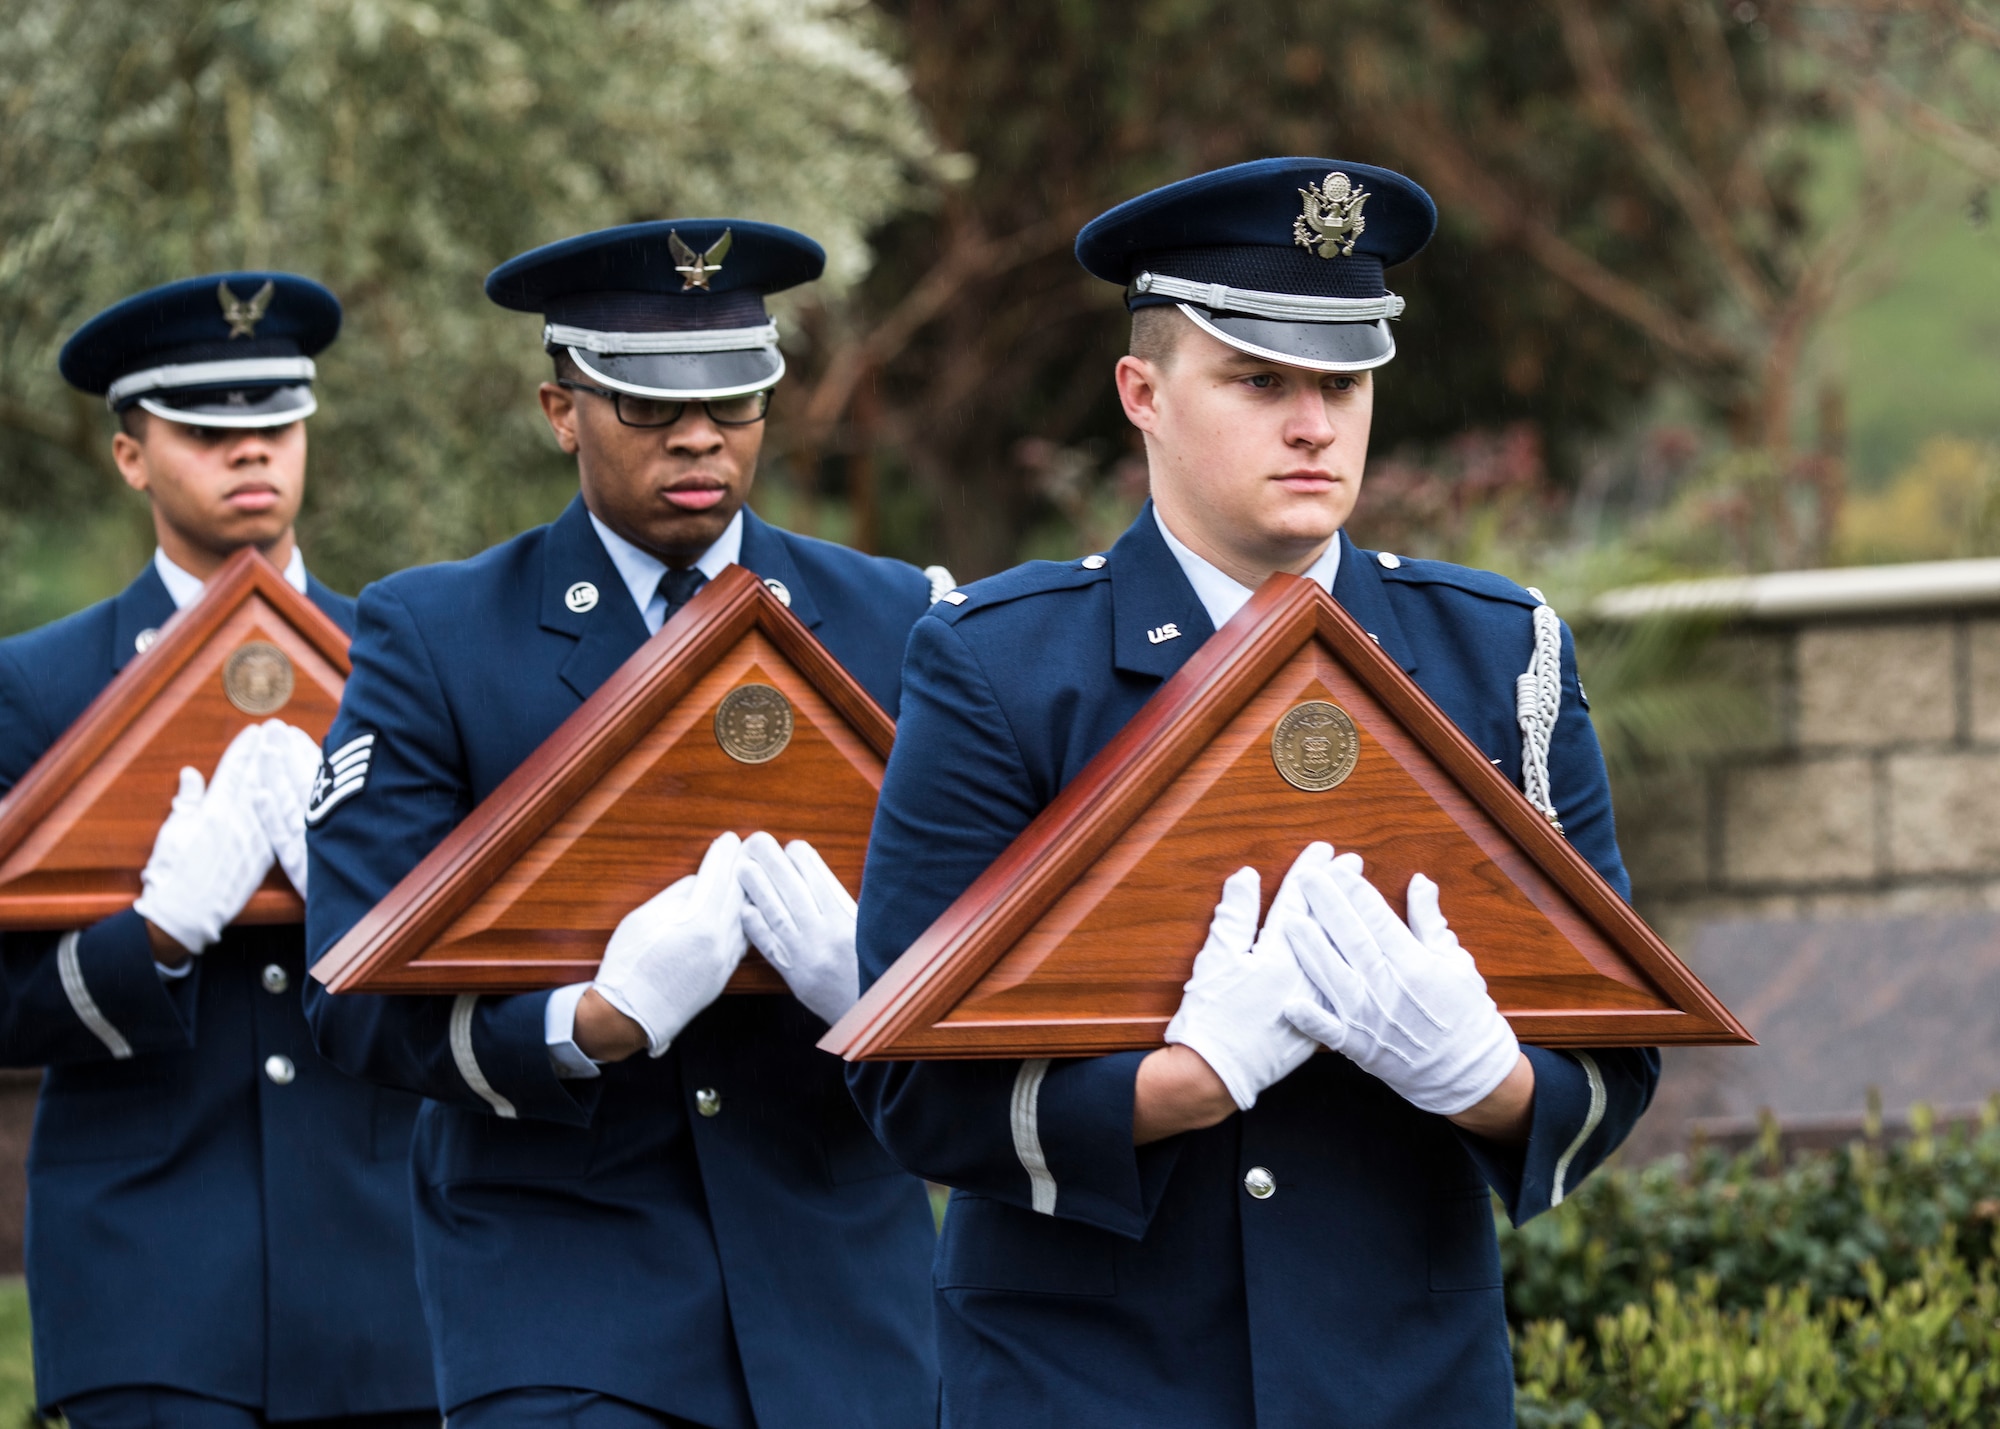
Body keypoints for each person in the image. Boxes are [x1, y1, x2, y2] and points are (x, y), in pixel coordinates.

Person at [846, 158, 1661, 1428]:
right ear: (1142, 393)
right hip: (1085, 1383)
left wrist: (1478, 1077)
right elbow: (903, 1082)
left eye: (1341, 381)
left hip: (1405, 1383)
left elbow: (1612, 1046)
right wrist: (1181, 1082)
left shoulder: (1494, 653)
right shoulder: (1003, 664)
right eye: (1257, 379)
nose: (1313, 423)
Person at [302, 221, 944, 1429]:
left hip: (842, 1303)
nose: (699, 435)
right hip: (560, 1300)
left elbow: (991, 927)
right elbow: (348, 997)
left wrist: (882, 983)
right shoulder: (434, 636)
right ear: (561, 409)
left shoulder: (895, 617)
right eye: (648, 405)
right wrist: (584, 1023)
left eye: (736, 399)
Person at [0, 274, 437, 1429]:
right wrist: (153, 934)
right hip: (148, 1282)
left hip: (387, 1278)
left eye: (276, 425)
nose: (251, 453)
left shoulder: (411, 665)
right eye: (205, 431)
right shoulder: (35, 687)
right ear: (131, 456)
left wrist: (356, 891)